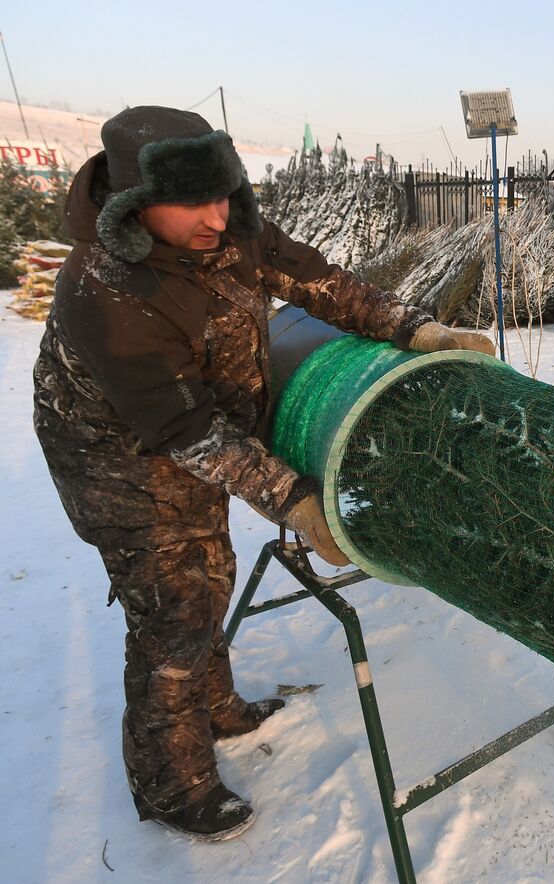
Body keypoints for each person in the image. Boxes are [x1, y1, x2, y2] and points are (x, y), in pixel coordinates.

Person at [31, 106, 494, 841]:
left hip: (196, 422)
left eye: (224, 193)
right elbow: (184, 430)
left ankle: (214, 708)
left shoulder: (227, 225)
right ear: (134, 205)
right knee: (173, 606)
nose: (219, 215)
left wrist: (415, 329)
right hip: (112, 454)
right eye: (194, 201)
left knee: (209, 566)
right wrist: (300, 505)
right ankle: (170, 784)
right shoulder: (106, 292)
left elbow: (318, 282)